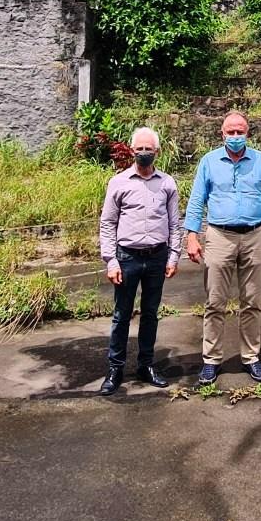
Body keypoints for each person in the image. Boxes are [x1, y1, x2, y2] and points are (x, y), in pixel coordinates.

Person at [183, 112, 261, 384]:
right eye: (230, 132)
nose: (235, 137)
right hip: (219, 236)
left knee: (252, 301)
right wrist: (192, 236)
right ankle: (211, 359)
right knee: (215, 301)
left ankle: (251, 357)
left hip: (254, 235)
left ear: (248, 133)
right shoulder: (209, 162)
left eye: (239, 132)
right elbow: (197, 200)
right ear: (222, 134)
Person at [97, 127, 180, 396]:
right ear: (132, 150)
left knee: (150, 315)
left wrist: (173, 255)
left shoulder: (167, 183)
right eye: (139, 149)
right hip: (127, 257)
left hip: (156, 257)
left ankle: (146, 365)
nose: (144, 153)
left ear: (157, 152)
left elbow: (174, 223)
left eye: (149, 149)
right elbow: (108, 223)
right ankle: (115, 369)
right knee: (121, 315)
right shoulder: (118, 182)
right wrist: (111, 261)